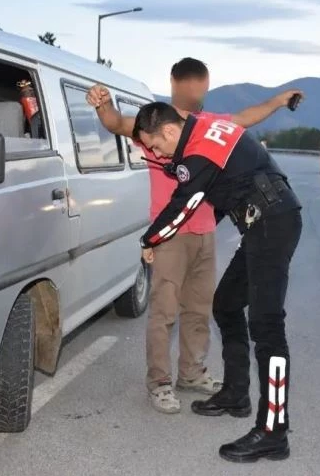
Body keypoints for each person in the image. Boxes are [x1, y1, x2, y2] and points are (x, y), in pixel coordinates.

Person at [86, 57, 303, 414]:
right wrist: (103, 101)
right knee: (176, 311)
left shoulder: (209, 127)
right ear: (173, 84)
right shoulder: (152, 122)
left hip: (214, 228)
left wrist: (278, 101)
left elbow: (246, 119)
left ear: (205, 85)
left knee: (210, 311)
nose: (154, 153)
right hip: (173, 231)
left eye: (199, 88)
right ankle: (165, 383)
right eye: (187, 87)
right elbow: (113, 122)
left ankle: (204, 380)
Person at [134, 102, 303, 463]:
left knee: (267, 327)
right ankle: (236, 393)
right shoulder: (206, 126)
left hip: (272, 222)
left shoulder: (198, 150)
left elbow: (184, 204)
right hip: (264, 220)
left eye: (158, 147)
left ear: (166, 131)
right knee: (225, 304)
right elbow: (225, 188)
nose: (160, 155)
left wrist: (149, 240)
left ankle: (274, 431)